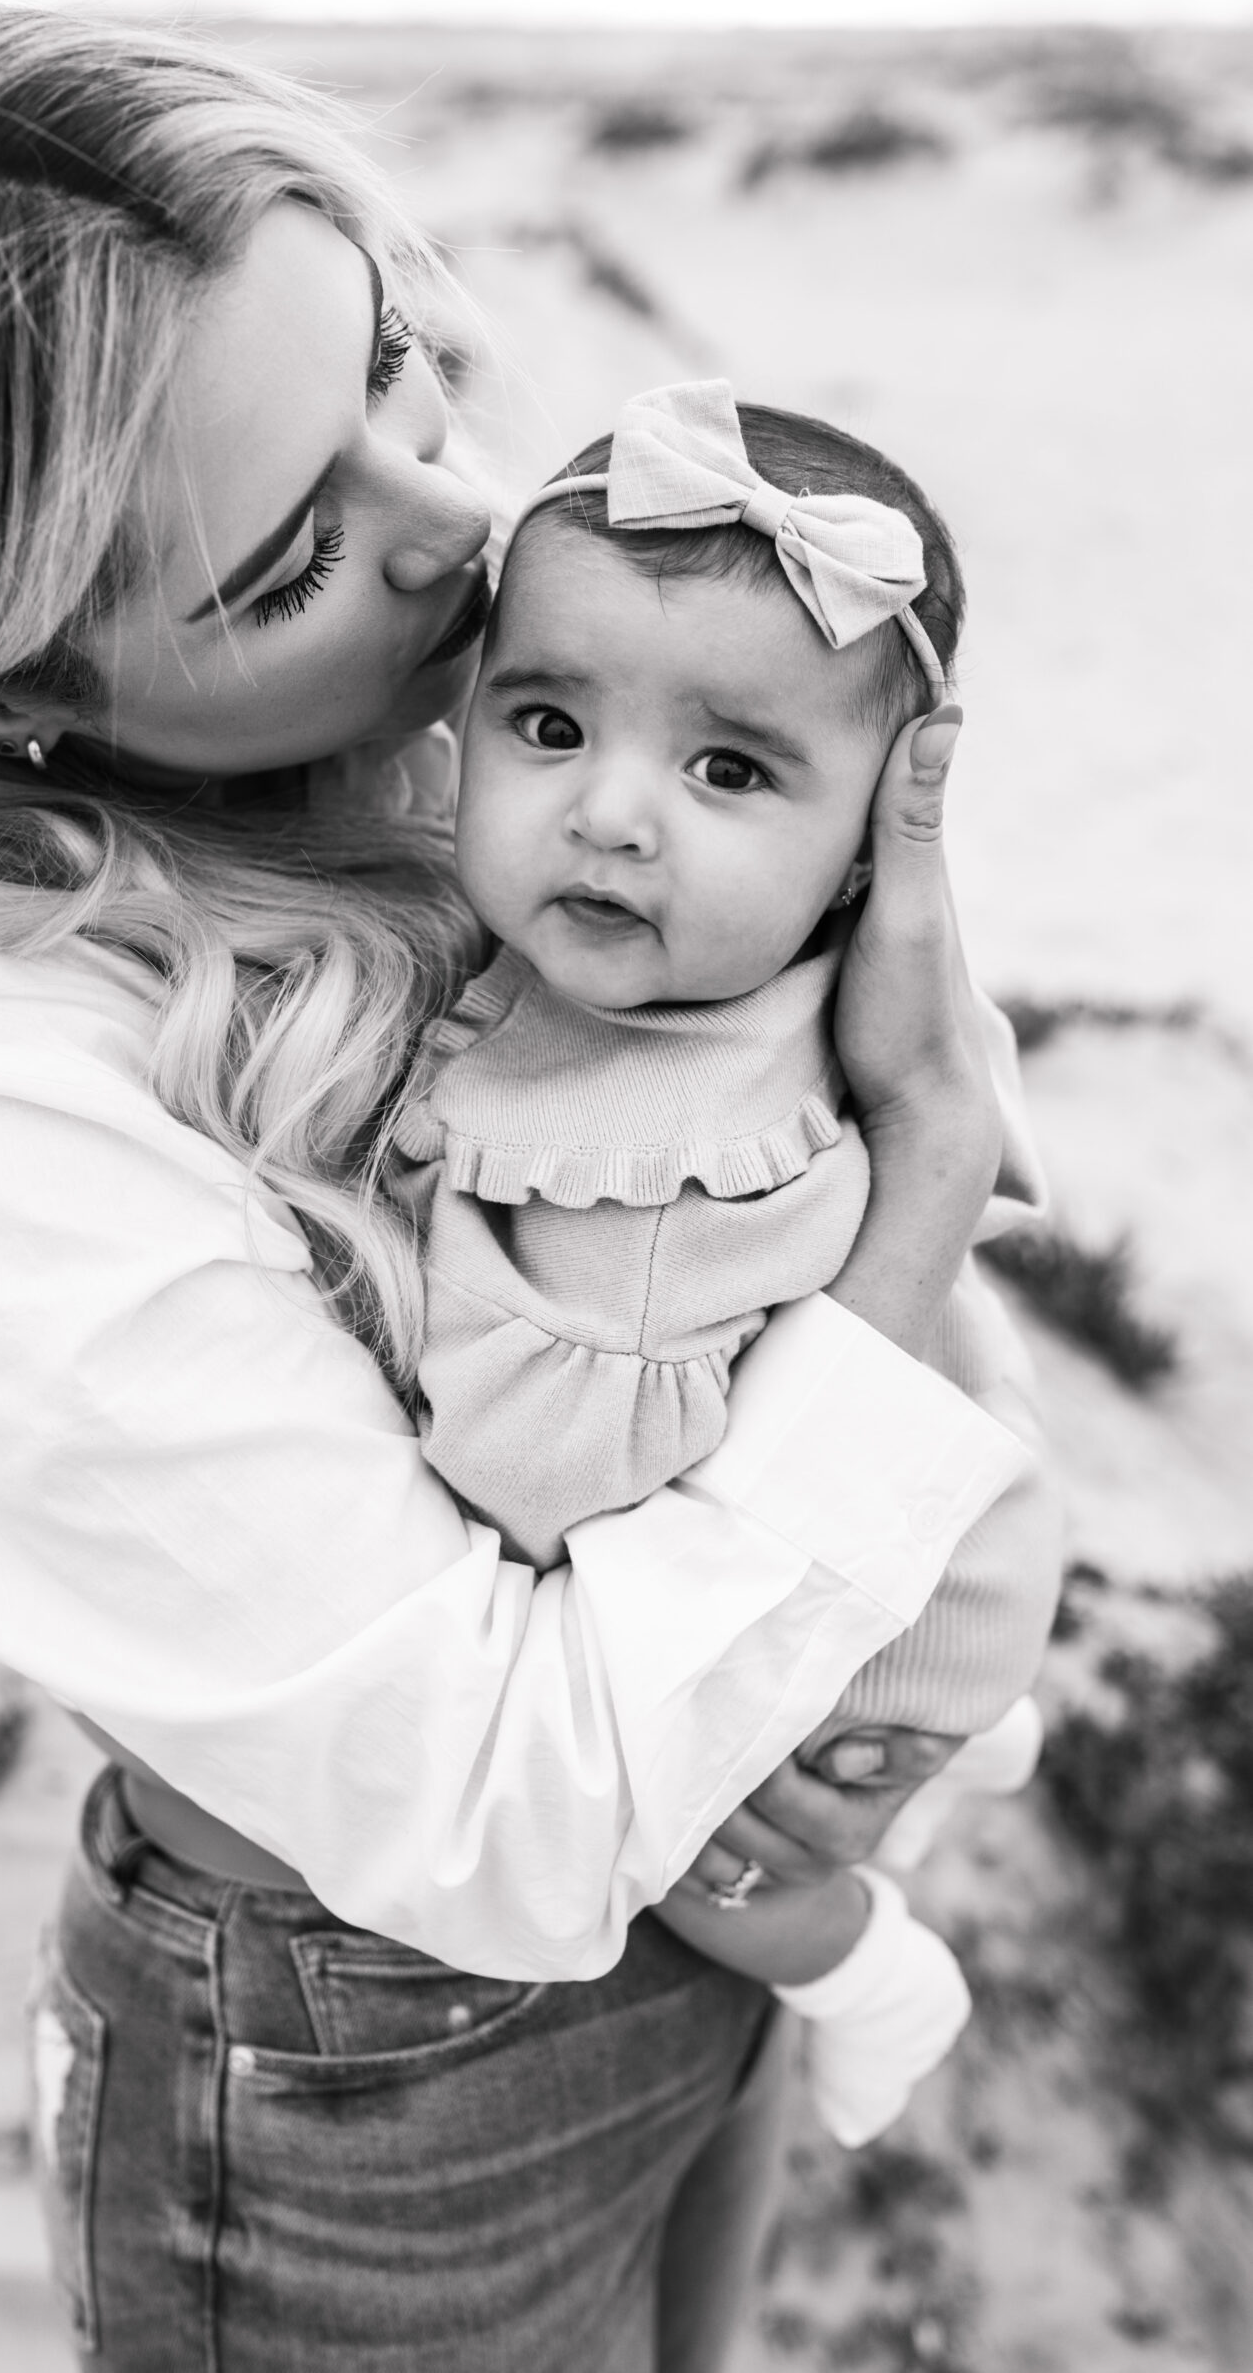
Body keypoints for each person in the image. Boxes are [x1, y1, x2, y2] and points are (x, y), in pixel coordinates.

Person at [0, 5, 1032, 2372]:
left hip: (693, 1974)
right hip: (377, 2102)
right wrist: (929, 1179)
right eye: (283, 559)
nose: (461, 531)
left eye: (399, 370)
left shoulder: (393, 772)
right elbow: (521, 1804)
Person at [390, 380, 1062, 2148]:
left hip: (855, 1635)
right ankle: (990, 1726)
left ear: (870, 850)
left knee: (684, 1857)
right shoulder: (767, 988)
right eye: (548, 722)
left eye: (728, 769)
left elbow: (553, 1505)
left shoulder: (647, 1191)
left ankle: (864, 1971)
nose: (611, 817)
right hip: (961, 1528)